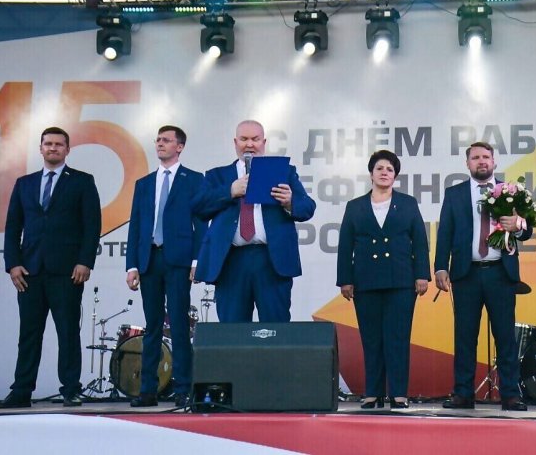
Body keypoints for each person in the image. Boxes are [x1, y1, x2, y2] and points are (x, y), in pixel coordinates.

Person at [0, 127, 101, 409]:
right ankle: (21, 391)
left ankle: (70, 389)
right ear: (41, 148)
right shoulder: (25, 183)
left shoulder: (82, 181)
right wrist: (13, 264)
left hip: (67, 272)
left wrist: (85, 261)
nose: (53, 148)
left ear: (67, 149)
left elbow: (92, 225)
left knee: (68, 333)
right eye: (48, 144)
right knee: (29, 334)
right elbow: (13, 227)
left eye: (58, 144)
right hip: (29, 272)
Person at [434, 141, 531, 411]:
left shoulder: (511, 192)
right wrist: (440, 267)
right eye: (475, 157)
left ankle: (510, 394)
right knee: (465, 336)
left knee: (505, 337)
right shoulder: (454, 194)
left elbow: (527, 230)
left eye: (486, 156)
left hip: (501, 272)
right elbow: (445, 232)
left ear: (494, 161)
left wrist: (518, 225)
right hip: (466, 274)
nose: (481, 161)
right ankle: (463, 393)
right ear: (467, 163)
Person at [193, 120, 316, 322]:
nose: (249, 144)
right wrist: (230, 191)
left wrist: (290, 201)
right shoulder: (218, 176)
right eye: (244, 139)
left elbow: (308, 208)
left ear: (264, 142)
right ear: (235, 142)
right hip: (231, 261)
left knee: (275, 328)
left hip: (272, 260)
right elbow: (199, 208)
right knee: (232, 330)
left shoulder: (283, 172)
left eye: (255, 139)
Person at [337, 150, 430, 410]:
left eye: (389, 169)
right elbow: (345, 245)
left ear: (395, 175)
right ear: (371, 173)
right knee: (371, 339)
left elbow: (420, 241)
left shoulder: (408, 203)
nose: (384, 173)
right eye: (379, 168)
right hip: (365, 280)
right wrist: (345, 279)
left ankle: (398, 393)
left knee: (397, 338)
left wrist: (422, 274)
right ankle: (373, 393)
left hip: (401, 280)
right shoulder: (355, 206)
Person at [125, 126, 207, 408]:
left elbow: (201, 223)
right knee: (152, 326)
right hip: (149, 259)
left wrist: (196, 260)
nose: (160, 144)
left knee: (179, 324)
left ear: (179, 146)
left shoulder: (194, 180)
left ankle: (183, 388)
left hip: (179, 261)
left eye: (166, 140)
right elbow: (136, 226)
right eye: (158, 139)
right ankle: (148, 390)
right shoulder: (144, 183)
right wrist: (132, 265)